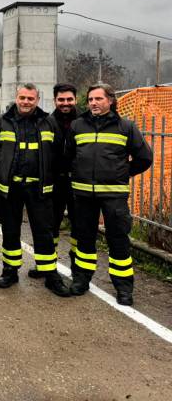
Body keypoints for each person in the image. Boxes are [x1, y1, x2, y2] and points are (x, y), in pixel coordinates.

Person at [0, 84, 71, 297]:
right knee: (10, 231)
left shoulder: (50, 123)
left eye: (30, 98)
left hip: (39, 189)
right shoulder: (0, 122)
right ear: (16, 98)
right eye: (22, 97)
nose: (26, 102)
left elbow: (60, 155)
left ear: (37, 99)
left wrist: (53, 180)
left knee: (44, 233)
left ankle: (50, 275)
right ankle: (10, 271)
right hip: (10, 189)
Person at [66, 83, 153, 306]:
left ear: (111, 100)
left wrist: (122, 173)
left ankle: (124, 289)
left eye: (99, 99)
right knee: (84, 240)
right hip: (83, 195)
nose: (94, 103)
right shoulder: (77, 125)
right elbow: (69, 157)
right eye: (91, 99)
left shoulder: (126, 127)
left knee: (118, 242)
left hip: (114, 196)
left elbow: (144, 158)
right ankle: (80, 281)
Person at [29, 83, 80, 279]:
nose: (65, 103)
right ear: (54, 100)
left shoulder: (84, 121)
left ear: (75, 100)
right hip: (53, 182)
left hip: (78, 184)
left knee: (79, 226)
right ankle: (46, 265)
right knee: (50, 225)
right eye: (61, 100)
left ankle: (77, 267)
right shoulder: (46, 122)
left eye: (69, 99)